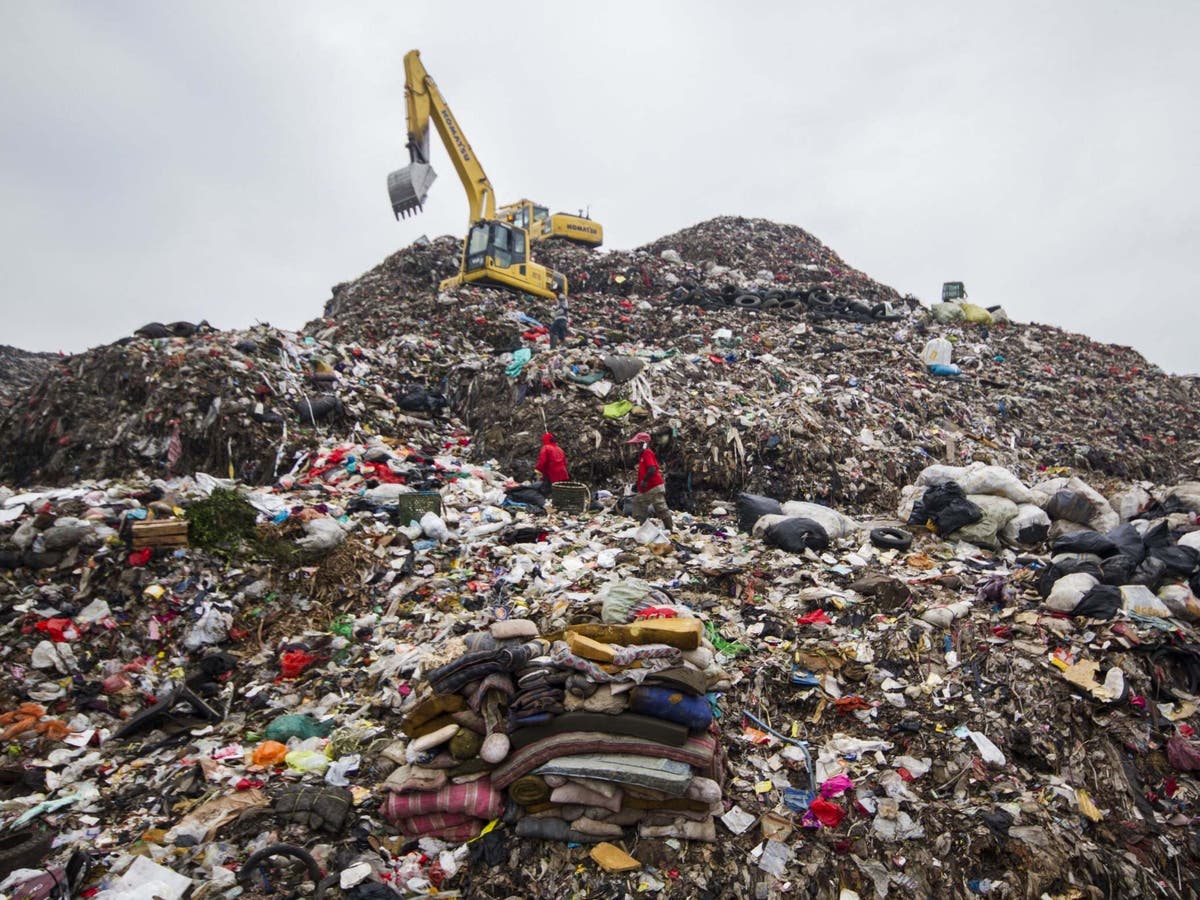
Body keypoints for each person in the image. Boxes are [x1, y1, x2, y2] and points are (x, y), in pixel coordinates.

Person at [627, 431, 673, 532]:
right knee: (655, 505)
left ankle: (643, 526)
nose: (636, 446)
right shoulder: (644, 454)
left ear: (643, 443)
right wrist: (638, 484)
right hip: (651, 486)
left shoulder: (647, 453)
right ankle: (644, 525)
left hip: (653, 485)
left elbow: (652, 469)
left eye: (637, 444)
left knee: (641, 502)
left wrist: (644, 480)